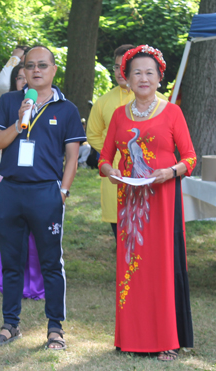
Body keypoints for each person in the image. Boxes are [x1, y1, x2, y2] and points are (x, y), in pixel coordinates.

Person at [98, 45, 195, 361]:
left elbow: (190, 158)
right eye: (136, 72)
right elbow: (103, 159)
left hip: (164, 200)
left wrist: (170, 171)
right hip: (131, 202)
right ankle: (130, 338)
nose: (143, 78)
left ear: (159, 78)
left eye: (149, 72)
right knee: (132, 268)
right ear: (125, 78)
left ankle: (167, 339)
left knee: (162, 267)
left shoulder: (172, 112)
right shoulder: (117, 115)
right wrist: (111, 171)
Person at [0, 46, 86, 348]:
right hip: (11, 190)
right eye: (30, 66)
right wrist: (19, 123)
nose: (36, 70)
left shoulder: (66, 109)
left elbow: (72, 157)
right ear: (24, 72)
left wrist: (63, 192)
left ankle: (55, 328)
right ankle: (10, 325)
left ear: (54, 70)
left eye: (43, 65)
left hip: (46, 192)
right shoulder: (9, 102)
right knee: (11, 261)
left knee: (51, 262)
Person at [87, 44, 166, 240]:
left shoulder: (162, 102)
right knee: (122, 232)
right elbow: (93, 134)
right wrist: (113, 152)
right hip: (116, 172)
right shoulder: (103, 102)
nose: (119, 71)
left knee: (153, 231)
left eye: (124, 66)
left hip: (151, 174)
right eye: (115, 66)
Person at [0, 64, 27, 273]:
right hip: (7, 172)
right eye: (20, 77)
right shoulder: (8, 103)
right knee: (1, 212)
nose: (25, 80)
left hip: (35, 176)